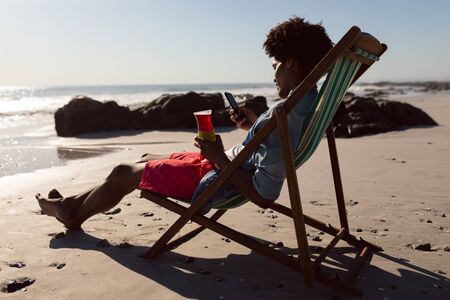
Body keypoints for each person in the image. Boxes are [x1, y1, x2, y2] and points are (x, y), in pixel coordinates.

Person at [36, 16, 333, 230]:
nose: (273, 75)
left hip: (220, 180)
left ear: (291, 62)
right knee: (142, 159)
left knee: (124, 172)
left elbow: (264, 196)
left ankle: (72, 215)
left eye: (275, 66)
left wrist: (216, 157)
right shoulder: (306, 103)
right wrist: (252, 125)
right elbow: (271, 146)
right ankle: (71, 203)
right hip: (227, 166)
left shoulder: (285, 114)